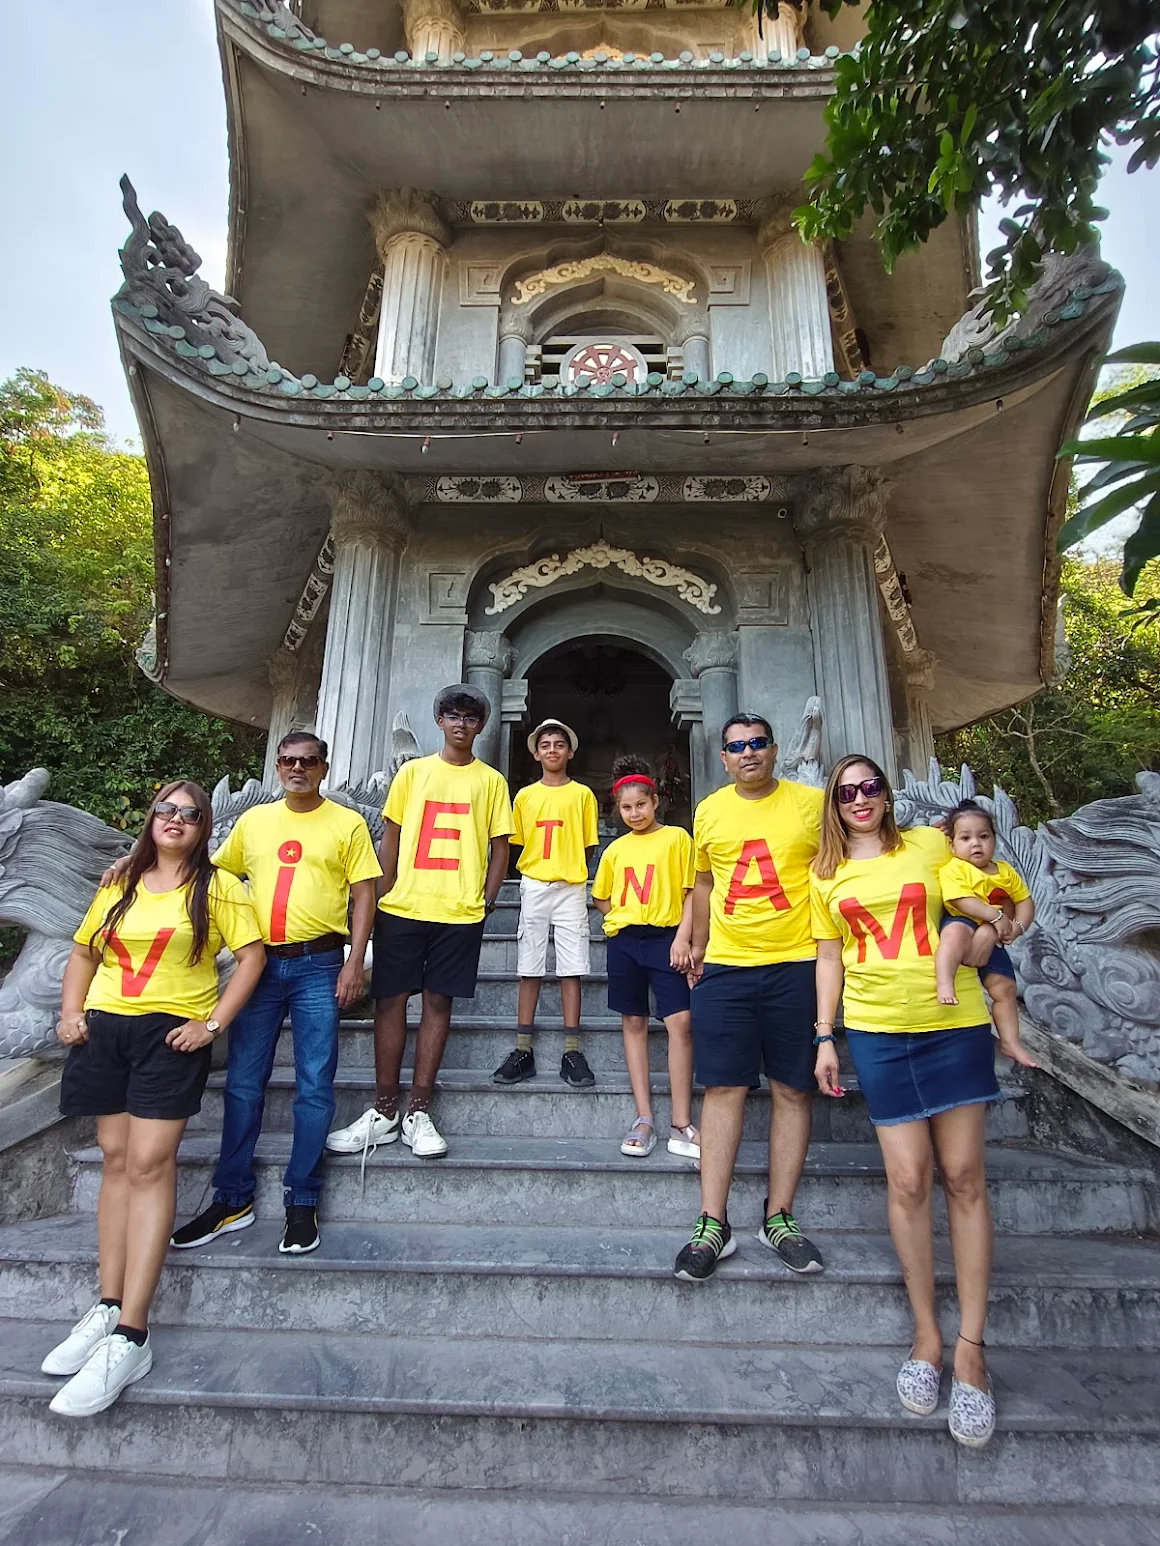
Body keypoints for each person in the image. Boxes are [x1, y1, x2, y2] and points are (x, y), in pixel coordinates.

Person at [810, 755, 1036, 1448]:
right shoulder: (826, 874)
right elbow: (828, 955)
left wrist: (992, 934)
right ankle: (926, 1337)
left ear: (886, 793)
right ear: (834, 802)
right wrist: (826, 1037)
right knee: (908, 1180)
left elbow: (990, 899)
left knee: (964, 1178)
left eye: (870, 786)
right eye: (847, 791)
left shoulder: (933, 844)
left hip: (955, 1024)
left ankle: (972, 1349)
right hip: (877, 1030)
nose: (860, 799)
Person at [42, 781, 265, 1417]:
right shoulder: (120, 881)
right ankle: (107, 1306)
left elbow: (250, 959)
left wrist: (213, 1025)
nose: (175, 820)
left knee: (149, 1163)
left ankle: (132, 1332)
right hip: (104, 1029)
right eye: (166, 809)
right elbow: (84, 951)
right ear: (152, 818)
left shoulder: (220, 887)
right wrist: (68, 1012)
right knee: (114, 1157)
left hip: (170, 1036)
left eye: (189, 814)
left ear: (204, 826)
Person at [168, 731, 381, 1257]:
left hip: (319, 963)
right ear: (278, 766)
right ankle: (231, 1198)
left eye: (308, 761)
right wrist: (135, 865)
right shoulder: (254, 821)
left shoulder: (346, 823)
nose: (297, 768)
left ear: (323, 767)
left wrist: (355, 961)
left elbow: (363, 895)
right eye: (288, 760)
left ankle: (302, 1199)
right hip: (258, 964)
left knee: (314, 1083)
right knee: (243, 1082)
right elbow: (211, 875)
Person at [327, 684, 513, 1160]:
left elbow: (500, 848)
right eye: (452, 716)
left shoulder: (491, 781)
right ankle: (384, 1110)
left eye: (470, 718)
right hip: (404, 907)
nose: (460, 725)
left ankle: (418, 1111)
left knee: (438, 1004)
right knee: (389, 1003)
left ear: (481, 726)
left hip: (459, 911)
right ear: (439, 721)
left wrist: (487, 901)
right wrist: (385, 892)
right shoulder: (412, 773)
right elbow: (391, 836)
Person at [674, 714, 825, 1281]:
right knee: (723, 1088)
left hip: (797, 963)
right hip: (727, 967)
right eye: (737, 747)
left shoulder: (810, 804)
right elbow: (704, 885)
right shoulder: (710, 810)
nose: (748, 753)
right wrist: (694, 942)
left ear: (775, 749)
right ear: (724, 757)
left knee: (792, 1087)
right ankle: (713, 1222)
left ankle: (778, 1215)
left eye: (758, 743)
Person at [590, 756, 699, 1159]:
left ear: (655, 802)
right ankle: (644, 1117)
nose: (634, 813)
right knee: (633, 1021)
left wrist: (683, 938)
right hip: (625, 942)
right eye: (626, 807)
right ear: (617, 810)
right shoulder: (615, 851)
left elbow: (692, 892)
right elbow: (601, 897)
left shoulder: (677, 839)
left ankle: (682, 1122)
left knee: (680, 1022)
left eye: (640, 804)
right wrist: (621, 917)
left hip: (667, 938)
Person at [493, 719, 599, 1089]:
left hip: (570, 885)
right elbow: (518, 842)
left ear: (570, 751)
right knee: (530, 963)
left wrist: (567, 868)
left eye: (559, 744)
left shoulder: (583, 795)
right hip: (535, 883)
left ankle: (572, 1049)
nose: (552, 750)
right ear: (536, 753)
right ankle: (523, 1049)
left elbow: (588, 844)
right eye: (546, 745)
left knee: (572, 965)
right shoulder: (524, 796)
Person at [935, 799, 1037, 1068]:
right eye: (965, 838)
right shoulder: (955, 868)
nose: (976, 844)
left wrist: (1018, 927)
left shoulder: (1005, 871)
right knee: (953, 934)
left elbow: (1025, 901)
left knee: (1005, 987)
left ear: (994, 839)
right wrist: (996, 916)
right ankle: (944, 980)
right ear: (952, 844)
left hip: (995, 935)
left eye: (983, 836)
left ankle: (1010, 1041)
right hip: (964, 920)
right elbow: (961, 901)